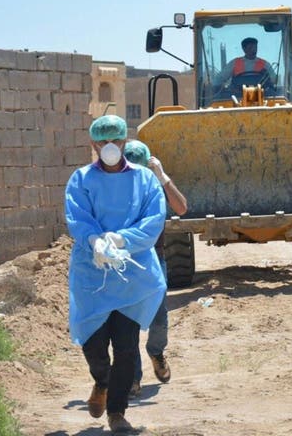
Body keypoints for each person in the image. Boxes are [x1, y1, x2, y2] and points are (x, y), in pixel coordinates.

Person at [64, 115, 167, 433]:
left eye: (116, 141)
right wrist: (95, 241)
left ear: (125, 142)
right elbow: (77, 217)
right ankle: (101, 381)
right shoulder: (80, 180)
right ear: (93, 144)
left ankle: (117, 412)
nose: (110, 147)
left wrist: (122, 240)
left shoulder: (145, 180)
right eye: (102, 142)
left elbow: (153, 219)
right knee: (93, 344)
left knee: (125, 346)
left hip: (131, 277)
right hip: (92, 275)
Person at [123, 140, 188, 397]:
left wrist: (163, 178)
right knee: (127, 322)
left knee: (159, 319)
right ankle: (132, 378)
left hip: (154, 258)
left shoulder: (155, 187)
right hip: (125, 261)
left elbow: (182, 208)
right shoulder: (117, 189)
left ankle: (156, 352)